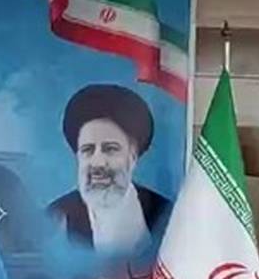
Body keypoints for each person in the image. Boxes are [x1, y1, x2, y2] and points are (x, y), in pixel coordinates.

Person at [47, 84, 171, 255]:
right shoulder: (53, 219)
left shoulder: (166, 216)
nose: (98, 163)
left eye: (110, 149)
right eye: (88, 150)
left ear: (133, 157)